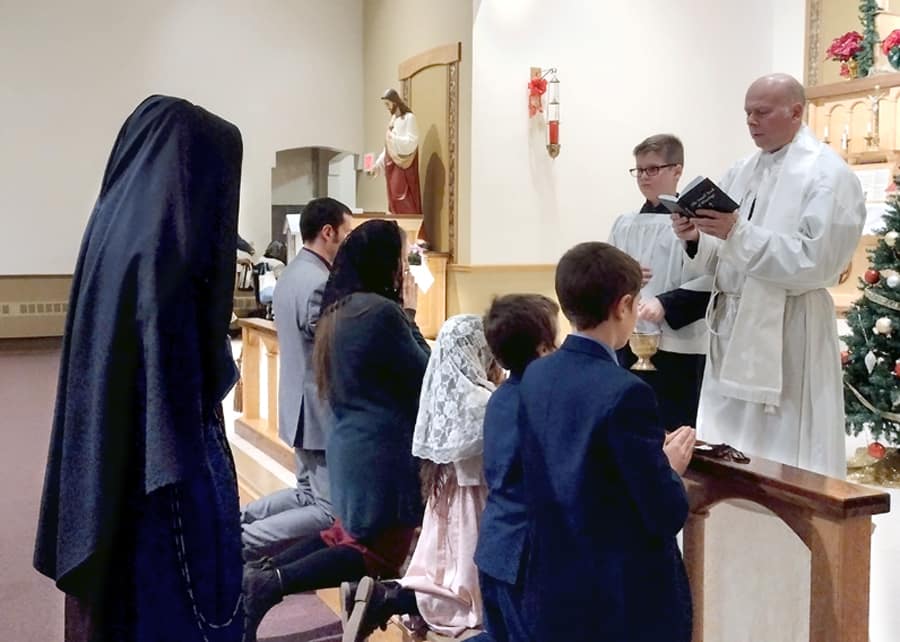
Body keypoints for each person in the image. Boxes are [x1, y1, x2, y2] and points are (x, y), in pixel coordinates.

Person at [33, 95, 244, 641]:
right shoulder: (162, 260)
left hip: (112, 476)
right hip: (164, 486)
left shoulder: (112, 233)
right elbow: (183, 400)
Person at [670, 72, 866, 642]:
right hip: (733, 333)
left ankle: (792, 560)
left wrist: (738, 231)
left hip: (788, 334)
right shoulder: (743, 170)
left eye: (762, 111)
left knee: (782, 454)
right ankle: (730, 548)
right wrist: (693, 235)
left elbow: (816, 263)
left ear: (797, 111)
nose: (751, 121)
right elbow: (717, 258)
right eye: (747, 112)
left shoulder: (828, 175)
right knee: (729, 449)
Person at [242, 219, 429, 642]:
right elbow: (427, 373)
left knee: (343, 534)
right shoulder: (380, 312)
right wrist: (409, 310)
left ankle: (266, 576)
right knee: (376, 552)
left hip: (351, 448)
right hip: (381, 456)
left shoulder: (339, 309)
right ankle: (271, 582)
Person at [519, 242, 696, 642]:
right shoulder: (625, 392)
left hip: (551, 583)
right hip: (618, 599)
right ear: (625, 305)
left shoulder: (536, 376)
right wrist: (668, 466)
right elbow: (662, 511)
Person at [341, 314, 502, 642]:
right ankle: (388, 598)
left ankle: (384, 596)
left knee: (440, 571)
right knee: (465, 591)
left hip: (443, 499)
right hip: (472, 502)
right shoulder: (483, 401)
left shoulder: (448, 393)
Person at [240, 197, 354, 560]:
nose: (348, 242)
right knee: (328, 509)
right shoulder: (320, 282)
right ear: (328, 232)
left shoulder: (291, 272)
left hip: (297, 404)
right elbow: (332, 347)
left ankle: (236, 522)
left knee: (306, 494)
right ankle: (238, 542)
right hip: (317, 411)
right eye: (346, 233)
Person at [609, 134, 709, 430]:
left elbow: (714, 277)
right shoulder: (624, 224)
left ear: (677, 170)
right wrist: (623, 275)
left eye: (652, 169)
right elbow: (602, 276)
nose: (643, 177)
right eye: (639, 170)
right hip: (627, 340)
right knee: (630, 425)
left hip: (677, 348)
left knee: (673, 427)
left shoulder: (697, 223)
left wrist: (666, 303)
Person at [474, 294, 560, 642]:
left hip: (494, 541)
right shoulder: (542, 403)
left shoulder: (500, 397)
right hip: (524, 555)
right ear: (543, 349)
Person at [368, 89, 423, 219]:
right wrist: (376, 165)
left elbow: (412, 141)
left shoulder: (409, 118)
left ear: (395, 102)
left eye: (388, 104)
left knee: (404, 198)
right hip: (392, 168)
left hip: (404, 167)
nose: (387, 108)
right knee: (393, 200)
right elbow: (388, 149)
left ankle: (409, 230)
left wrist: (395, 138)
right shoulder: (393, 121)